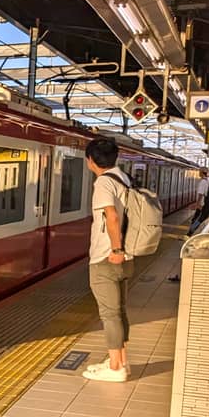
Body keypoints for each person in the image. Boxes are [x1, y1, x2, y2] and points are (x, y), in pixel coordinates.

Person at [83, 138, 133, 382]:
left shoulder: (103, 182)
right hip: (126, 257)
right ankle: (122, 360)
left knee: (109, 313)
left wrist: (116, 249)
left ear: (91, 160)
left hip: (107, 256)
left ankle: (115, 368)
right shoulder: (124, 179)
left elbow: (111, 217)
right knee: (120, 310)